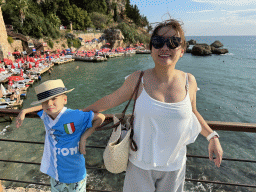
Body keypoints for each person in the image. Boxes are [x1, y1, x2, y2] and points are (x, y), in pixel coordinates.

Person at [83, 19, 223, 192]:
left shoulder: (189, 81)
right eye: (158, 42)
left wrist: (212, 137)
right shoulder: (138, 79)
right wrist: (76, 114)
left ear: (182, 50)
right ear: (151, 49)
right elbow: (110, 100)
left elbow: (193, 112)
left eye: (173, 42)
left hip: (175, 167)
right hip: (139, 166)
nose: (165, 47)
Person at [16, 79, 105, 192]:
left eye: (54, 99)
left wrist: (84, 137)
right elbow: (44, 107)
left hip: (76, 175)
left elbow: (100, 117)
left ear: (65, 99)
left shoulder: (75, 115)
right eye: (45, 101)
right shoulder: (46, 115)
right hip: (56, 174)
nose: (49, 103)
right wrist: (24, 110)